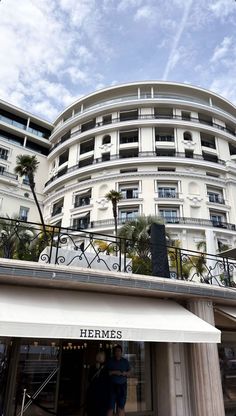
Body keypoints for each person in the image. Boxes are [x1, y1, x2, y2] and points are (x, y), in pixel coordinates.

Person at [106, 345, 131, 416]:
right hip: (112, 386)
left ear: (121, 352)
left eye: (119, 351)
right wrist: (115, 372)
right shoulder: (110, 361)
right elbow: (106, 373)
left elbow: (129, 373)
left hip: (122, 386)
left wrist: (125, 373)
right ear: (114, 352)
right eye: (116, 351)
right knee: (110, 407)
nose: (117, 352)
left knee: (121, 406)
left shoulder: (125, 361)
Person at [86, 350, 109, 416]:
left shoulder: (106, 368)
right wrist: (96, 369)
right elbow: (89, 379)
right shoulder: (92, 367)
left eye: (101, 356)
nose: (99, 357)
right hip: (92, 395)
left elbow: (106, 382)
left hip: (102, 396)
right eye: (98, 355)